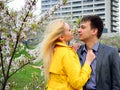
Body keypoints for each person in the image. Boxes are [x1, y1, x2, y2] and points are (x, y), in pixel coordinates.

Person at [40, 19, 95, 90]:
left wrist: (72, 52)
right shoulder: (67, 53)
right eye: (69, 30)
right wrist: (88, 62)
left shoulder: (53, 51)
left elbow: (62, 75)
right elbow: (77, 83)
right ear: (61, 37)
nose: (72, 30)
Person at [77, 15, 120, 90]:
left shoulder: (111, 52)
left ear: (94, 31)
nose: (78, 30)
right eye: (79, 27)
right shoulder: (76, 52)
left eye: (83, 27)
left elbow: (117, 83)